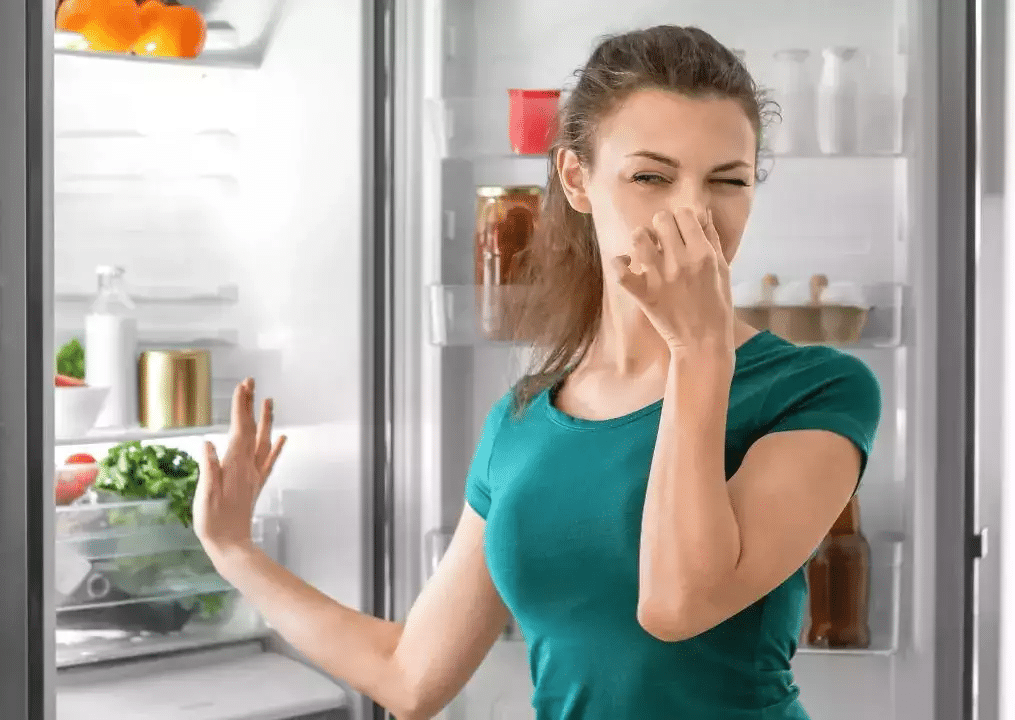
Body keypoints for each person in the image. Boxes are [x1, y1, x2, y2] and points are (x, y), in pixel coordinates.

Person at [193, 24, 881, 720]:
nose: (692, 212)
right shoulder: (524, 418)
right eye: (650, 176)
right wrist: (234, 552)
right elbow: (410, 677)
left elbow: (679, 604)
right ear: (576, 179)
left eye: (727, 181)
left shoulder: (815, 391)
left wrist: (699, 354)